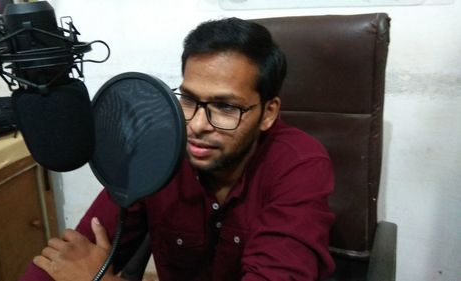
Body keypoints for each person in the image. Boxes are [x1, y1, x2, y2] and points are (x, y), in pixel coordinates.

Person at [20, 17, 335, 281]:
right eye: (188, 99)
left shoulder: (301, 164)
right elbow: (74, 253)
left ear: (268, 112)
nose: (197, 125)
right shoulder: (157, 148)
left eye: (225, 106)